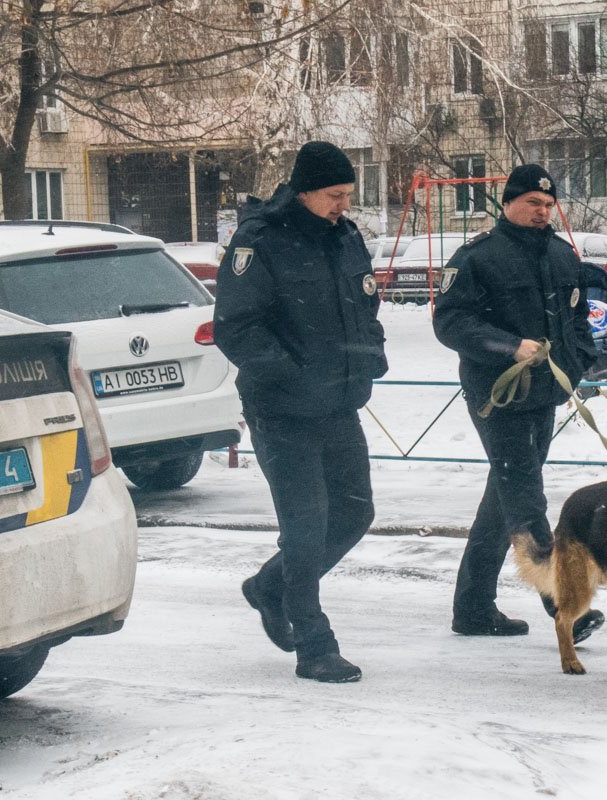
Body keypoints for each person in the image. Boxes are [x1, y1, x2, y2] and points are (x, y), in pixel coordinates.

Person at [214, 141, 387, 683]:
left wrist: (370, 353)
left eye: (347, 195)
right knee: (306, 526)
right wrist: (293, 372)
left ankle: (270, 587)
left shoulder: (345, 237)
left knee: (354, 512)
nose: (343, 205)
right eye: (334, 195)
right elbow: (235, 327)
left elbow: (365, 306)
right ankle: (314, 646)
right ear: (305, 191)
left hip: (338, 402)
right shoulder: (260, 240)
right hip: (281, 407)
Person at [433, 164, 605, 640]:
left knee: (504, 499)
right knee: (526, 497)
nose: (542, 211)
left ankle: (472, 608)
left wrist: (575, 367)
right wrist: (509, 346)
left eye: (548, 204)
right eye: (532, 203)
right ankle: (565, 605)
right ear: (508, 203)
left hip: (545, 394)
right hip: (498, 396)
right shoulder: (477, 257)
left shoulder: (562, 254)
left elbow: (577, 322)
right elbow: (450, 323)